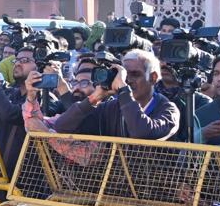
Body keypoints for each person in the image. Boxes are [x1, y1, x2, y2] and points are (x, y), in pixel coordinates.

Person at [51, 49, 179, 141]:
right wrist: (93, 98)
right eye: (124, 75)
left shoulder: (168, 109)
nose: (127, 80)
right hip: (114, 178)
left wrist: (124, 91)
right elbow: (62, 126)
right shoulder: (110, 107)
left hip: (155, 178)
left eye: (135, 74)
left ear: (153, 77)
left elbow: (142, 132)